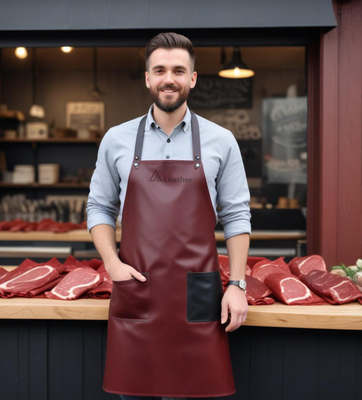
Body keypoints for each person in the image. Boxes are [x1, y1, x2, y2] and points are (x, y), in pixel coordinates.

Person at [87, 32, 251, 400]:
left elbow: (237, 216)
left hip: (198, 298)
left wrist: (237, 285)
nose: (169, 78)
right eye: (159, 69)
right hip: (137, 290)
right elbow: (99, 207)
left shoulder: (221, 140)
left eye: (179, 70)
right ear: (147, 77)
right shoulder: (116, 139)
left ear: (192, 78)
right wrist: (112, 264)